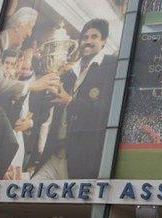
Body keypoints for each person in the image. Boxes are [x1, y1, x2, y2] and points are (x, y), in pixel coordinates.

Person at [34, 18, 117, 179]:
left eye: (94, 37)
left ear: (104, 41)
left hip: (81, 162)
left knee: (68, 205)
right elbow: (45, 110)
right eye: (85, 37)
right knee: (27, 200)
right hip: (53, 155)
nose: (88, 41)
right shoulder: (68, 72)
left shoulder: (111, 66)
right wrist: (45, 92)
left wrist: (70, 102)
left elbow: (103, 115)